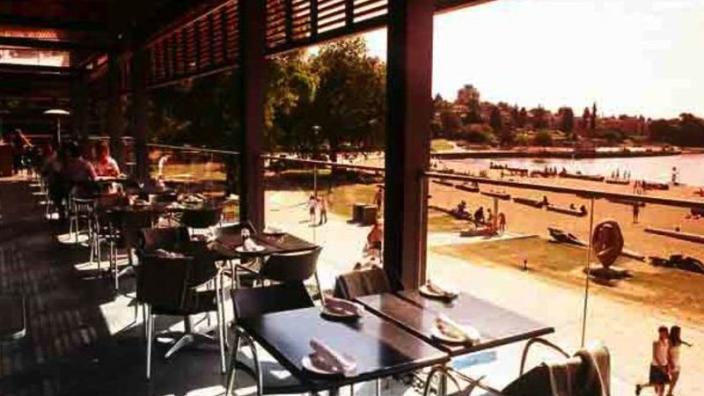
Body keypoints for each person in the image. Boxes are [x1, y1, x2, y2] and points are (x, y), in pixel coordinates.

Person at [637, 326, 670, 396]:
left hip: (664, 365)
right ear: (660, 333)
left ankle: (641, 386)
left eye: (666, 332)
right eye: (664, 332)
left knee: (663, 384)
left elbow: (666, 354)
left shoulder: (667, 342)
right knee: (658, 384)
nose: (666, 334)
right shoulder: (656, 342)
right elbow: (654, 356)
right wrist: (661, 367)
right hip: (656, 366)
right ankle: (641, 386)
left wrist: (667, 365)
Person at [667, 325, 692, 396]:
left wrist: (688, 344)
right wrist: (670, 363)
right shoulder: (670, 341)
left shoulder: (678, 340)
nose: (679, 333)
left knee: (675, 378)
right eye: (678, 332)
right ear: (675, 332)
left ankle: (669, 392)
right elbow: (667, 353)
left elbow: (682, 342)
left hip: (677, 361)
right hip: (672, 361)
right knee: (673, 378)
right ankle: (669, 393)